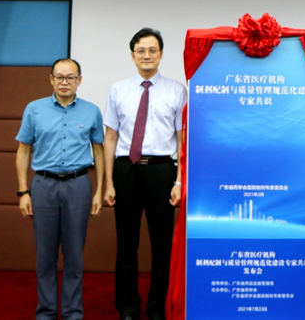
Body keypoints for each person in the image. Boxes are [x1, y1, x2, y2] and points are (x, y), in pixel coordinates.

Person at [103, 27, 186, 320]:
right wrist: (108, 182)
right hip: (126, 170)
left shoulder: (177, 90)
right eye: (141, 50)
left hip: (162, 171)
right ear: (132, 55)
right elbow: (110, 137)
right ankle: (128, 309)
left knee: (162, 246)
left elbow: (182, 140)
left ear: (161, 54)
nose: (147, 55)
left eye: (152, 50)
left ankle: (156, 310)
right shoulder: (118, 89)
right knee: (127, 244)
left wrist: (179, 180)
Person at [15, 58, 105, 320]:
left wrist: (99, 191)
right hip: (43, 186)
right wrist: (23, 192)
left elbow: (99, 151)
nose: (65, 82)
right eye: (60, 77)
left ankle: (72, 313)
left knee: (74, 256)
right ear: (51, 79)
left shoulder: (92, 111)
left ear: (79, 80)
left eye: (70, 77)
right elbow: (23, 151)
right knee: (45, 256)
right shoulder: (34, 109)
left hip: (78, 186)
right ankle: (45, 313)